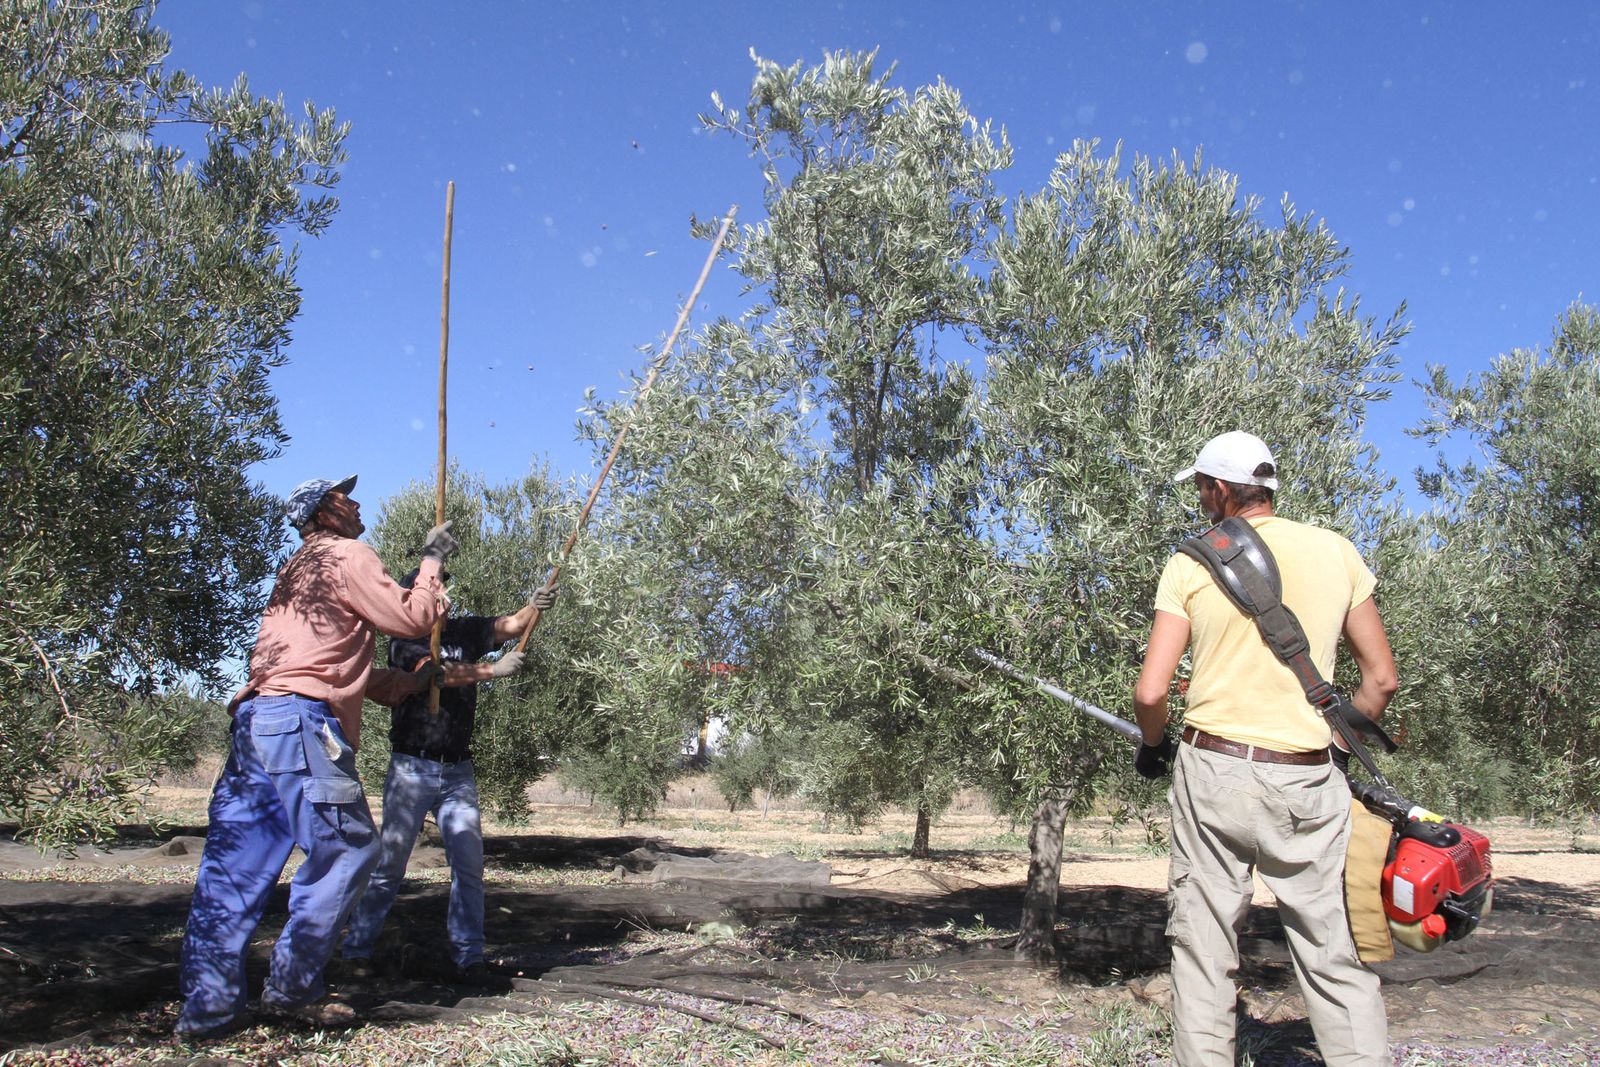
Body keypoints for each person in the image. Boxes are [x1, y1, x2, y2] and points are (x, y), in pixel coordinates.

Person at [1131, 431, 1399, 1067]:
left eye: (1201, 487)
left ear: (1222, 490)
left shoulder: (1192, 562)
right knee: (1331, 951)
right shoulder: (1338, 552)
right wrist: (1333, 738)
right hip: (1307, 778)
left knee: (1204, 950)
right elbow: (1381, 680)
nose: (1200, 498)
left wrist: (1152, 745)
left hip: (1213, 769)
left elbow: (1150, 691)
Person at [177, 475, 458, 1038]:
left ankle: (207, 1013)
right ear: (324, 510)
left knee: (234, 869)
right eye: (345, 495)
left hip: (259, 718)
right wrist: (432, 562)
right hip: (301, 723)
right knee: (351, 850)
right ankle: (293, 989)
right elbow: (411, 618)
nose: (357, 503)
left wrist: (407, 682)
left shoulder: (296, 570)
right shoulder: (345, 553)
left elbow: (330, 665)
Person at [340, 576, 558, 983]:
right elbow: (435, 675)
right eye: (430, 593)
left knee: (469, 867)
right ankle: (356, 951)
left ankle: (468, 957)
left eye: (440, 593)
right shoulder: (404, 640)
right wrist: (493, 669)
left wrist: (535, 605)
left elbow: (511, 626)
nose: (440, 598)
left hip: (458, 771)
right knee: (390, 867)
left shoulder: (464, 629)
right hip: (411, 768)